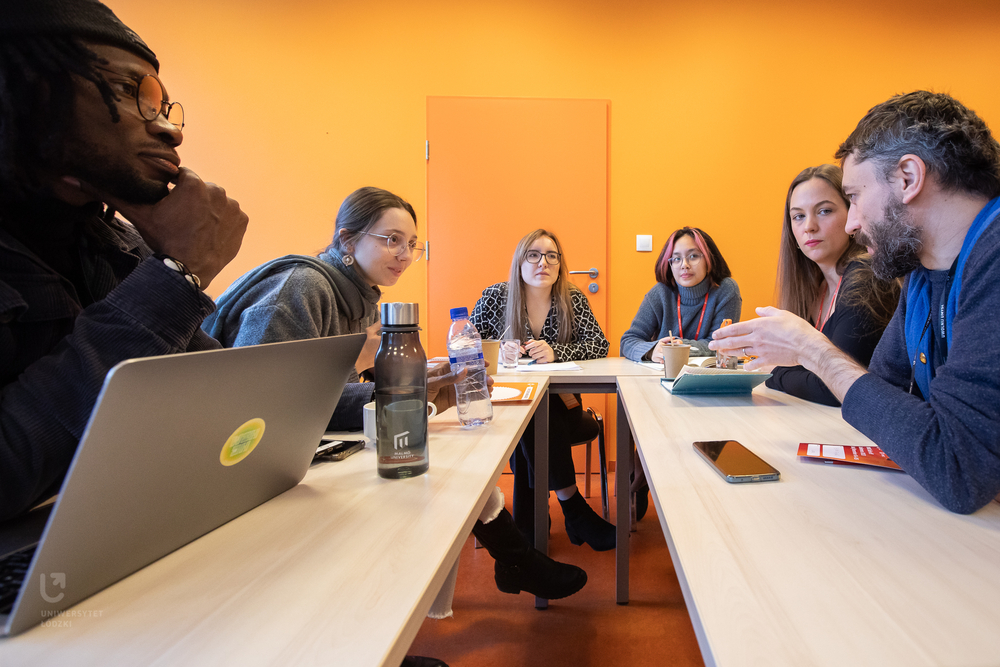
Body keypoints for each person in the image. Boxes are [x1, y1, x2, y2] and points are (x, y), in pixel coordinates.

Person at [204, 189, 587, 601]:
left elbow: (336, 391)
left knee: (448, 463)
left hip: (307, 444)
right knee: (434, 468)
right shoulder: (301, 288)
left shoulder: (356, 297)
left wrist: (424, 384)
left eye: (411, 244)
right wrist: (412, 392)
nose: (404, 254)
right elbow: (269, 407)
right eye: (391, 240)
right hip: (244, 466)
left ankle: (515, 560)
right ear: (347, 241)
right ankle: (515, 560)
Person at [0, 0, 249, 522]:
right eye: (126, 92)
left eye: (162, 106)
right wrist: (177, 275)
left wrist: (382, 397)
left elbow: (213, 394)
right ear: (27, 94)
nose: (169, 131)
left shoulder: (116, 241)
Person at [711, 91, 1000, 514]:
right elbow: (883, 391)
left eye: (856, 197)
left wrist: (815, 352)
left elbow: (958, 470)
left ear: (907, 178)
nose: (852, 222)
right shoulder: (923, 275)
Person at [469, 229, 613, 551]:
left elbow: (599, 345)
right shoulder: (496, 297)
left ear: (560, 265)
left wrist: (557, 352)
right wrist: (497, 352)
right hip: (505, 406)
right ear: (519, 262)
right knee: (530, 416)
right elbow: (466, 345)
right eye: (533, 255)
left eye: (552, 256)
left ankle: (530, 529)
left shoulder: (572, 298)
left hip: (563, 408)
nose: (543, 263)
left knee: (536, 415)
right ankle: (573, 510)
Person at [767, 165, 900, 406]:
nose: (809, 226)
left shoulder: (866, 276)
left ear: (852, 215)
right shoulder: (812, 289)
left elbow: (834, 388)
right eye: (798, 216)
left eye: (824, 211)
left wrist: (775, 373)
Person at [620, 226, 741, 361]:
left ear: (709, 259)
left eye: (693, 256)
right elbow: (628, 341)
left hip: (708, 375)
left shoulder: (726, 290)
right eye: (677, 259)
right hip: (661, 373)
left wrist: (678, 346)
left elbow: (720, 344)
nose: (684, 265)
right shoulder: (659, 293)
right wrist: (652, 350)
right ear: (670, 265)